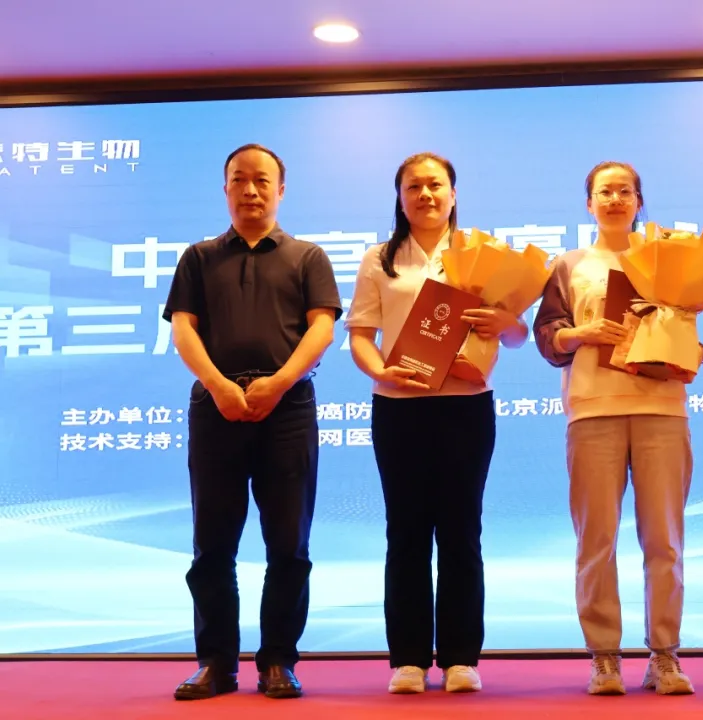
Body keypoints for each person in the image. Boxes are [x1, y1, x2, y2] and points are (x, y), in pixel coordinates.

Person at [345, 152, 527, 694]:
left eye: (435, 185)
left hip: (465, 407)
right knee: (405, 532)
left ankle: (460, 658)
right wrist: (383, 372)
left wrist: (504, 321)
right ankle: (407, 658)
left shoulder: (481, 256)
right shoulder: (380, 259)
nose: (425, 195)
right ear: (399, 197)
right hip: (398, 407)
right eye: (413, 187)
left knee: (460, 531)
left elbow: (517, 335)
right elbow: (360, 335)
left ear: (453, 193)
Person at [165, 144, 342, 701]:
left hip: (287, 409)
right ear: (225, 189)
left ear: (280, 189)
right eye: (239, 179)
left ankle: (278, 662)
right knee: (212, 544)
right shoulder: (198, 257)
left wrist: (279, 382)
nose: (250, 190)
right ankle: (216, 663)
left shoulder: (308, 256)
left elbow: (321, 328)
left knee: (288, 543)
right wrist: (220, 386)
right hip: (216, 409)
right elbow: (183, 329)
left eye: (262, 180)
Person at [533, 161, 695, 697]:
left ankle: (664, 655)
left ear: (639, 201)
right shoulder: (570, 264)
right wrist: (582, 333)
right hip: (592, 410)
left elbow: (686, 323)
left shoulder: (667, 259)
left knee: (664, 540)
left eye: (625, 191)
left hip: (661, 409)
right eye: (605, 191)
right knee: (596, 540)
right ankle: (604, 656)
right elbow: (547, 335)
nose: (615, 199)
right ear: (589, 203)